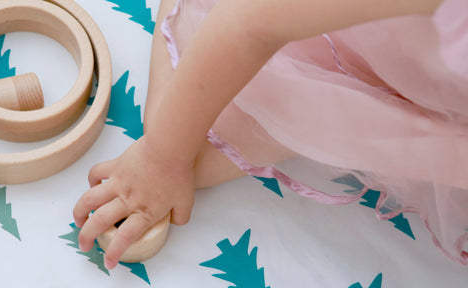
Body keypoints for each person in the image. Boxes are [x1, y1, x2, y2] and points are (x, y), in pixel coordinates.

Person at [74, 0, 468, 269]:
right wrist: (162, 157)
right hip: (320, 26)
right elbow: (250, 21)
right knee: (178, 131)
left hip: (436, 89)